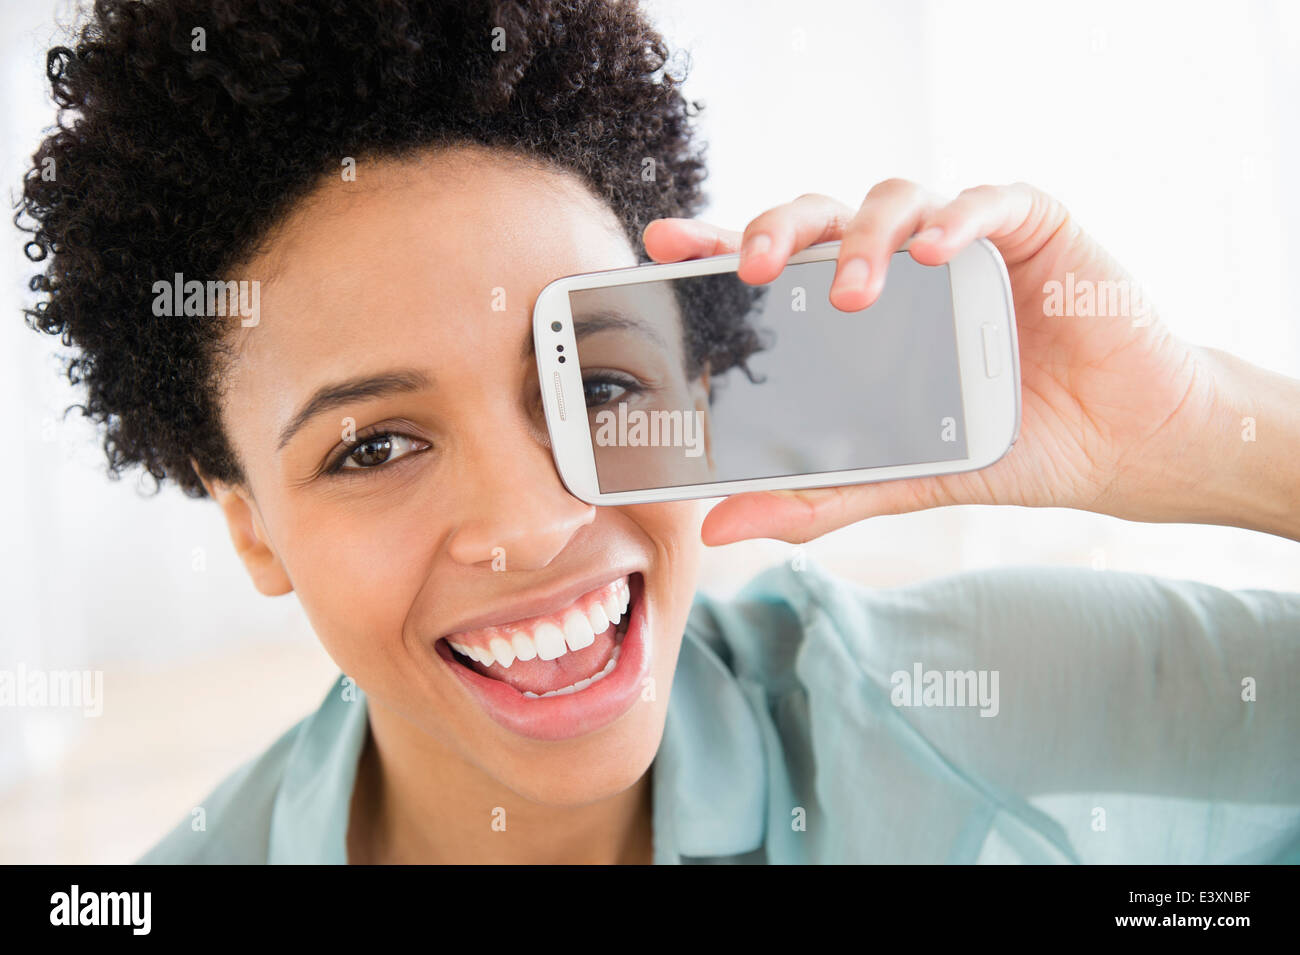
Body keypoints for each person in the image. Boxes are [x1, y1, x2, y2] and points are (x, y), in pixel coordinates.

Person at [18, 0, 1299, 864]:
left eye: (601, 385)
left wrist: (1195, 431)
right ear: (248, 519)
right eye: (374, 446)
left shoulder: (967, 705)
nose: (534, 522)